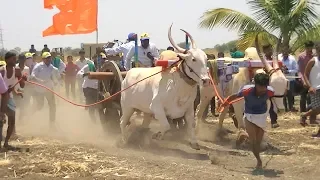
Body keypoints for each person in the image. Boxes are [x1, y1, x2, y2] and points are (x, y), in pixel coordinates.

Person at [221, 73, 275, 173]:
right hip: (249, 116)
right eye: (260, 86)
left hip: (262, 117)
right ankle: (259, 161)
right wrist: (225, 103)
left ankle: (243, 135)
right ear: (255, 84)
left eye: (265, 86)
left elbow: (273, 101)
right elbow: (234, 96)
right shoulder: (247, 90)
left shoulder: (270, 92)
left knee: (258, 143)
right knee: (253, 142)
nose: (263, 89)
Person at [0, 51, 25, 150]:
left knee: (12, 120)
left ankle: (6, 143)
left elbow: (22, 85)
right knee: (1, 120)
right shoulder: (2, 71)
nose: (15, 60)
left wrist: (22, 78)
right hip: (1, 97)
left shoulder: (17, 70)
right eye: (13, 58)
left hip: (8, 97)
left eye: (15, 58)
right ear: (7, 60)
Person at [31, 52, 60, 129]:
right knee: (40, 106)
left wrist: (55, 81)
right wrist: (40, 80)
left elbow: (53, 76)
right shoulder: (38, 66)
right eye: (46, 58)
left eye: (49, 58)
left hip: (49, 89)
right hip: (39, 89)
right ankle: (30, 114)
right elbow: (32, 76)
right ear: (43, 59)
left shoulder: (51, 67)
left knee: (53, 106)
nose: (48, 59)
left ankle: (52, 123)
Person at [77, 53, 105, 122]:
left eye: (103, 59)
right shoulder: (88, 66)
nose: (101, 60)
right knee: (92, 105)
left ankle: (101, 120)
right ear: (94, 59)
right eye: (99, 58)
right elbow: (78, 73)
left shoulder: (103, 67)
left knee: (100, 105)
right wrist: (85, 74)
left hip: (97, 89)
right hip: (88, 88)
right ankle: (93, 121)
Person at [300, 42, 320, 130]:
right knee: (317, 109)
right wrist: (310, 86)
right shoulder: (313, 61)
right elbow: (305, 74)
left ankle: (305, 115)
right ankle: (304, 115)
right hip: (315, 88)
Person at [262, 44, 279, 128]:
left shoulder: (275, 60)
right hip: (263, 84)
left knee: (272, 102)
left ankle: (273, 121)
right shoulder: (261, 60)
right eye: (268, 50)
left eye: (270, 49)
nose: (270, 51)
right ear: (264, 51)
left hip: (272, 84)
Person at [279, 46, 298, 112]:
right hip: (281, 80)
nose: (284, 54)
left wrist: (288, 71)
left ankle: (291, 108)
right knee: (282, 95)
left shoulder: (292, 59)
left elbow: (296, 70)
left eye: (286, 52)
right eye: (283, 52)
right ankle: (284, 109)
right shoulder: (279, 58)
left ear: (288, 52)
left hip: (290, 80)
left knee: (290, 95)